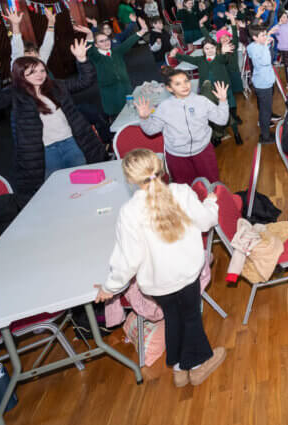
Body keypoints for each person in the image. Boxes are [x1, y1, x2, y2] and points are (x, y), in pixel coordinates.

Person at [94, 149, 226, 388]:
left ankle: (177, 367)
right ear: (161, 167)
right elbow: (207, 221)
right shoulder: (181, 193)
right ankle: (197, 366)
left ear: (130, 180)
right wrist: (211, 203)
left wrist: (109, 287)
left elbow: (127, 259)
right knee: (191, 317)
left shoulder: (129, 213)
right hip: (187, 274)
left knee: (173, 318)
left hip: (157, 285)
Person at [0, 40, 106, 195]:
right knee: (56, 190)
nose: (39, 75)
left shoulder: (56, 86)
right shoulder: (16, 94)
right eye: (32, 72)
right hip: (44, 151)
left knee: (84, 184)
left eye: (41, 70)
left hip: (71, 142)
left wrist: (82, 60)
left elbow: (85, 81)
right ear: (20, 75)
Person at [135, 69, 230, 186]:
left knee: (212, 185)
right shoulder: (164, 107)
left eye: (186, 81)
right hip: (177, 157)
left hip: (203, 151)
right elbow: (150, 130)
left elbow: (222, 120)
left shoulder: (202, 101)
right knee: (186, 191)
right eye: (178, 84)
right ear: (169, 88)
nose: (184, 86)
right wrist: (144, 119)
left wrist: (223, 101)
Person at [170, 40, 242, 146]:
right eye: (206, 48)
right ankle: (217, 136)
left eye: (212, 48)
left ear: (216, 48)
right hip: (207, 93)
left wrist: (222, 52)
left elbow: (224, 58)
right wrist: (175, 55)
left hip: (222, 90)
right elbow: (188, 58)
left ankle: (236, 134)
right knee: (211, 115)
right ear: (203, 50)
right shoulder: (200, 60)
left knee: (229, 114)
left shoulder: (219, 58)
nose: (209, 51)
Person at [87, 16, 147, 119]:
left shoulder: (116, 52)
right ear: (96, 45)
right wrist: (89, 35)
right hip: (111, 95)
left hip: (126, 88)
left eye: (107, 39)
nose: (106, 42)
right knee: (118, 119)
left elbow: (128, 42)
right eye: (101, 41)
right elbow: (90, 51)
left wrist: (143, 31)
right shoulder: (97, 57)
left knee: (133, 115)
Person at [246, 24, 279, 143]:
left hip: (264, 81)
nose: (265, 37)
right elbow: (266, 61)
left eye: (265, 34)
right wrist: (266, 45)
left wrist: (267, 40)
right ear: (255, 37)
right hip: (263, 84)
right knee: (265, 112)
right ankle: (265, 137)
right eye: (262, 35)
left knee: (265, 110)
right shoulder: (256, 48)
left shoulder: (255, 45)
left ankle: (265, 132)